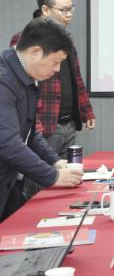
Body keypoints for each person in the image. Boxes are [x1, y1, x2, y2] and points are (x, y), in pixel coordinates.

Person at [0, 18, 83, 221]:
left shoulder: (25, 76)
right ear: (35, 52)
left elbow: (29, 133)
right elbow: (8, 143)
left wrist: (55, 162)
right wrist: (52, 176)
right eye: (55, 62)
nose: (57, 70)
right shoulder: (4, 81)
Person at [10, 0, 96, 160]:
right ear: (45, 10)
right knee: (42, 173)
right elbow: (21, 88)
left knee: (66, 171)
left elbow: (76, 78)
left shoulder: (66, 39)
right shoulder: (26, 40)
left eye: (71, 9)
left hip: (69, 122)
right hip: (44, 124)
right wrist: (34, 124)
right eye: (63, 10)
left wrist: (86, 110)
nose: (69, 14)